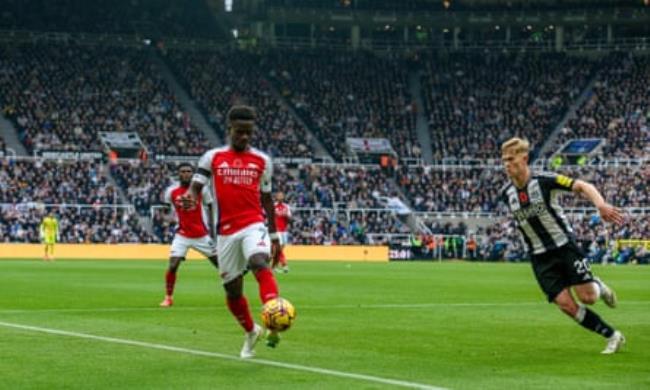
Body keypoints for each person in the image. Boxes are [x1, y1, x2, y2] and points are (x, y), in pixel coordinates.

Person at [499, 137, 626, 354]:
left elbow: (584, 186)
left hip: (564, 247)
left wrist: (601, 205)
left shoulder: (544, 181)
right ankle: (612, 336)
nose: (506, 165)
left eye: (511, 159)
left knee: (589, 298)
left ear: (525, 158)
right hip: (540, 257)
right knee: (566, 305)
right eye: (504, 160)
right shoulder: (506, 194)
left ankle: (597, 285)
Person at [181, 105, 286, 358]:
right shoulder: (213, 157)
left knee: (259, 261)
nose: (245, 137)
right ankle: (251, 331)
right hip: (225, 232)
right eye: (240, 132)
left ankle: (273, 317)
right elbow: (197, 185)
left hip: (254, 224)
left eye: (249, 132)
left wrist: (274, 236)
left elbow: (268, 200)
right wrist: (191, 196)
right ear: (229, 130)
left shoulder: (262, 161)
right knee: (233, 290)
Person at [160, 163, 219, 308]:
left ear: (193, 174)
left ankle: (235, 292)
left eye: (188, 171)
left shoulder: (201, 189)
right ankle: (168, 298)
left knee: (221, 265)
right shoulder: (171, 191)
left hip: (202, 235)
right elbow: (165, 208)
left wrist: (212, 231)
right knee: (173, 265)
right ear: (178, 174)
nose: (186, 174)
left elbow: (210, 206)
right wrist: (166, 218)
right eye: (183, 171)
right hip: (182, 235)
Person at [273, 191, 292, 273]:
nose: (280, 197)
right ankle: (284, 265)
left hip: (284, 230)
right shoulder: (273, 206)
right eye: (279, 195)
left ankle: (274, 266)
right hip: (276, 230)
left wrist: (286, 216)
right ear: (276, 197)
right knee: (279, 248)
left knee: (280, 249)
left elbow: (291, 219)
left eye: (282, 195)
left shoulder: (286, 206)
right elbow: (268, 216)